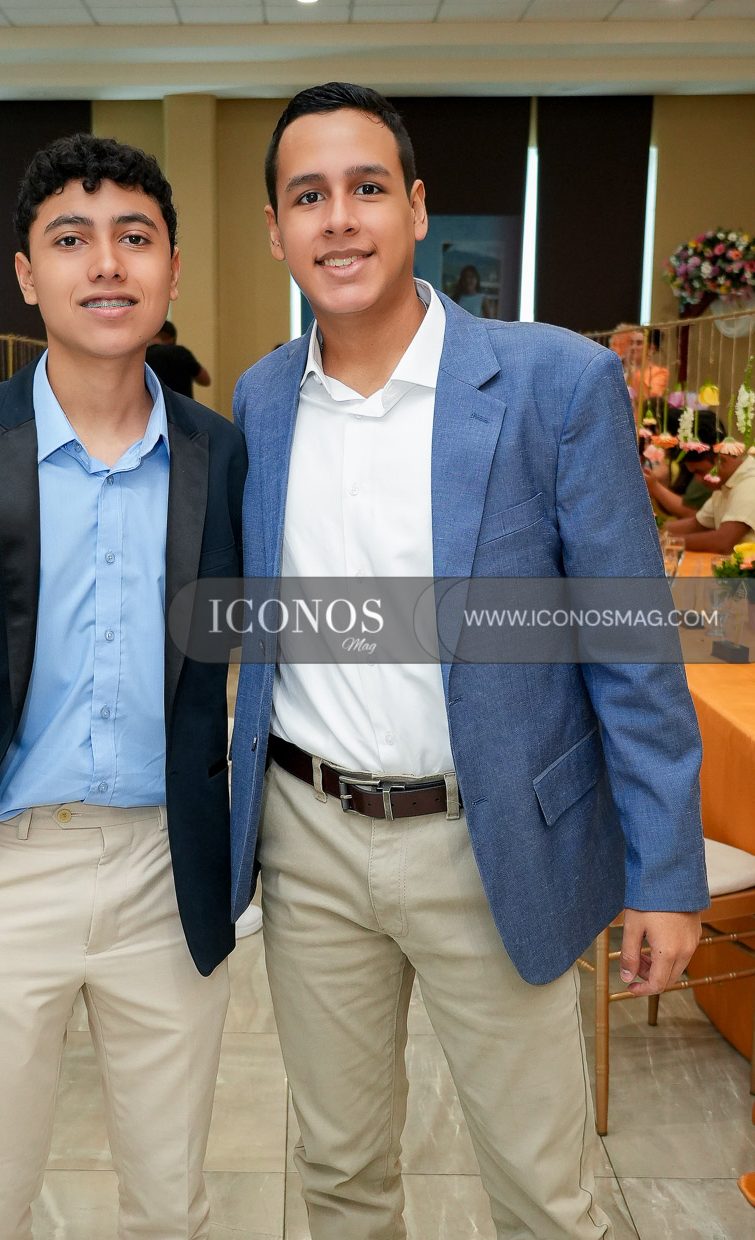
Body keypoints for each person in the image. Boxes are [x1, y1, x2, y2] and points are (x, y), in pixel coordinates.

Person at [229, 82, 706, 1240]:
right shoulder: (259, 400)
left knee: (542, 1195)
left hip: (489, 839)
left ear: (415, 207)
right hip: (309, 841)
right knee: (340, 1178)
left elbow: (627, 642)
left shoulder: (554, 383)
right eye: (307, 196)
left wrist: (663, 869)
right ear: (276, 231)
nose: (338, 219)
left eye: (365, 188)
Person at [0, 133, 246, 1240]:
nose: (106, 264)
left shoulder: (221, 455)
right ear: (26, 274)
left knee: (172, 1201)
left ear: (171, 270)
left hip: (168, 868)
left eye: (134, 238)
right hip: (1, 863)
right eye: (71, 239)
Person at [660, 448, 755, 550]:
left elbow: (724, 541)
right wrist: (655, 533)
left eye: (699, 472)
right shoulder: (724, 485)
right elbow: (697, 525)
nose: (698, 480)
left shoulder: (750, 482)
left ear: (722, 460)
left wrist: (668, 541)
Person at [146, 320, 211, 397]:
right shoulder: (180, 352)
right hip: (181, 403)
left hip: (155, 403)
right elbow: (205, 380)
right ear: (171, 339)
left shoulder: (142, 357)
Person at [626, 327, 669, 401]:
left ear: (651, 348)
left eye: (639, 343)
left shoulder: (660, 372)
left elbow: (651, 399)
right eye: (631, 343)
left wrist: (633, 373)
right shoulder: (626, 372)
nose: (633, 347)